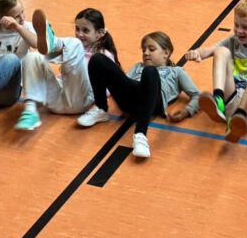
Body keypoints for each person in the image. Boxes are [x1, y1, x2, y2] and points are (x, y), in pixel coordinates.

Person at [77, 31, 201, 160]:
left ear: (166, 53)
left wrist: (186, 111)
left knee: (150, 71)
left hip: (153, 102)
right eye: (143, 50)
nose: (146, 53)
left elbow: (197, 95)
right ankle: (101, 108)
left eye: (151, 49)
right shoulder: (138, 66)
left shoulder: (176, 72)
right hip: (130, 99)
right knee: (97, 59)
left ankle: (140, 135)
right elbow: (125, 83)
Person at [189, 0, 247, 143]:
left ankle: (239, 118)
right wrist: (196, 53)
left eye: (245, 27)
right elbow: (208, 51)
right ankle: (219, 101)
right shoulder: (233, 40)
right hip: (231, 101)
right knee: (221, 51)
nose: (239, 31)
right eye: (236, 25)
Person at [16, 8, 118, 131]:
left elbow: (109, 86)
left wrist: (97, 102)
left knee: (75, 44)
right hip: (57, 102)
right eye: (77, 29)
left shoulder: (103, 55)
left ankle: (53, 42)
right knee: (33, 57)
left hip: (80, 100)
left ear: (100, 33)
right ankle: (30, 111)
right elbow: (50, 61)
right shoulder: (73, 48)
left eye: (85, 30)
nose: (80, 34)